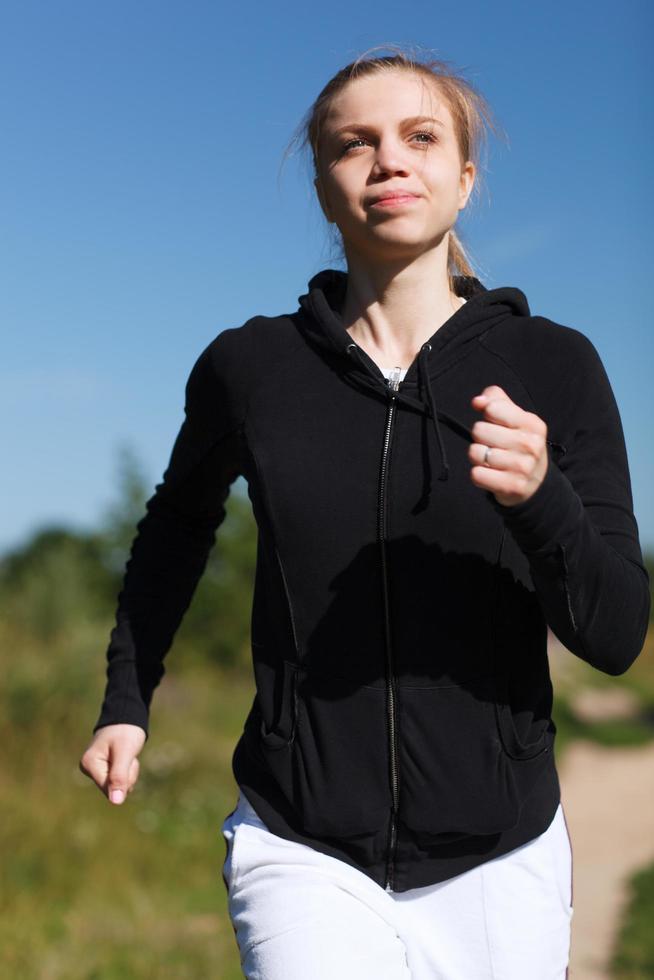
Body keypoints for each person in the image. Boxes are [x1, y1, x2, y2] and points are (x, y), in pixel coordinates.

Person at [79, 45, 651, 979]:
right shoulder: (251, 368)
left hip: (500, 851)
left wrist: (542, 499)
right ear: (323, 183)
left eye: (421, 138)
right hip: (301, 842)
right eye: (357, 143)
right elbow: (175, 530)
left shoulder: (555, 365)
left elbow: (618, 632)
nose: (389, 160)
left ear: (463, 180)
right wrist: (127, 702)